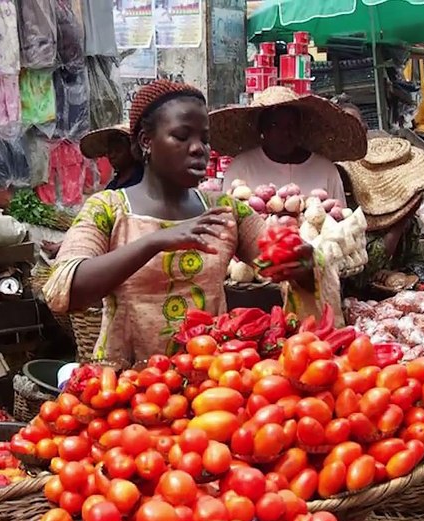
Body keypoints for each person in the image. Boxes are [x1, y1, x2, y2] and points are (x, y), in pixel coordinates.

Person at [43, 80, 305, 364]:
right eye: (182, 136)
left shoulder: (226, 211)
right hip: (124, 381)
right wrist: (155, 241)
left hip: (211, 377)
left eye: (204, 139)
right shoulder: (107, 208)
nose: (198, 149)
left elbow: (285, 266)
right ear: (146, 141)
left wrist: (303, 262)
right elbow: (66, 290)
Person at [336, 135, 424, 296]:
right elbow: (361, 274)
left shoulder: (410, 223)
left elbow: (420, 260)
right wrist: (401, 219)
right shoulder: (351, 216)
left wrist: (403, 276)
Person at [212, 86, 366, 203]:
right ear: (262, 129)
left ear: (300, 128)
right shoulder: (241, 168)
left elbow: (340, 223)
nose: (285, 132)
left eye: (291, 125)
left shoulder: (326, 170)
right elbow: (228, 218)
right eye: (275, 125)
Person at [78, 124, 143, 191]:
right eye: (109, 151)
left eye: (118, 150)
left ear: (132, 148)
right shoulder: (112, 186)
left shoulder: (142, 180)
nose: (112, 156)